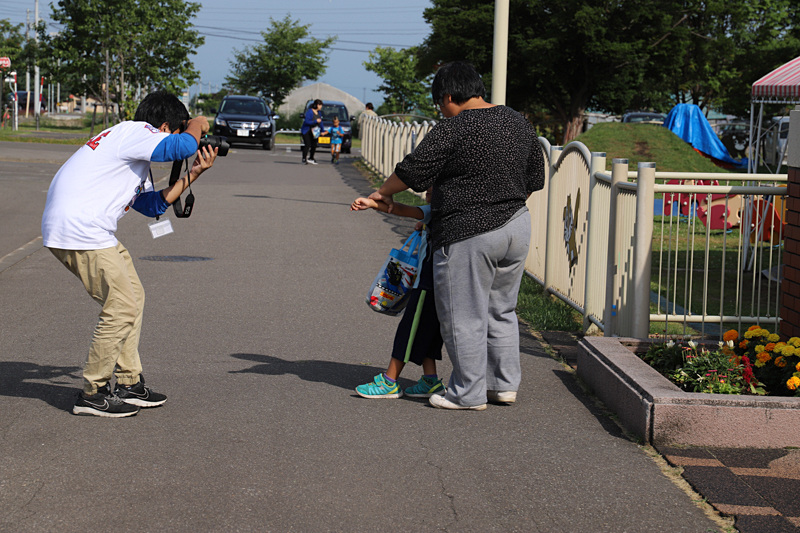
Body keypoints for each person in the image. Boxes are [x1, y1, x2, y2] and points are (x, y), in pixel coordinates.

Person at [368, 61, 545, 411]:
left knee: (464, 315)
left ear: (448, 96)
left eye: (439, 104)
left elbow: (414, 170)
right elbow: (534, 177)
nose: (441, 110)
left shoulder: (454, 127)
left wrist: (381, 193)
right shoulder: (517, 121)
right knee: (501, 310)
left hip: (469, 230)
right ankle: (502, 385)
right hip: (516, 225)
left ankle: (467, 393)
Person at [41, 90, 218, 418]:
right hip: (80, 230)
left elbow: (152, 206)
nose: (189, 136)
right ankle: (92, 393)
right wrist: (197, 123)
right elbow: (182, 146)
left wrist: (194, 173)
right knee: (121, 306)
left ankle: (128, 382)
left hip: (89, 230)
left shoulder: (133, 149)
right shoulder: (135, 131)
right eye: (180, 130)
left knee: (133, 295)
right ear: (164, 127)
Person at [351, 189, 444, 399]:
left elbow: (402, 210)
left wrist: (372, 203)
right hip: (439, 283)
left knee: (409, 330)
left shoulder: (434, 210)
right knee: (428, 331)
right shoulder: (452, 214)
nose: (428, 194)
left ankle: (390, 381)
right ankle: (430, 380)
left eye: (433, 190)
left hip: (427, 284)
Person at [301, 99, 323, 165]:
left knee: (314, 145)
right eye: (320, 105)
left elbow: (321, 122)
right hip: (307, 131)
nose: (321, 107)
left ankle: (311, 158)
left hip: (315, 131)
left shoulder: (319, 113)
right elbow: (307, 121)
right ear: (317, 105)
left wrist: (322, 130)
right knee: (307, 144)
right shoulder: (310, 112)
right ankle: (304, 158)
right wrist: (315, 121)